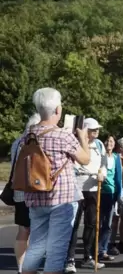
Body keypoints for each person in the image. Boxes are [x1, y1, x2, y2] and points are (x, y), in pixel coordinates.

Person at [22, 87, 91, 274]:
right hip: (61, 199)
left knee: (35, 246)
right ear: (58, 110)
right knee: (56, 251)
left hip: (35, 197)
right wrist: (83, 138)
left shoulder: (27, 136)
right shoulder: (63, 135)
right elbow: (85, 159)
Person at [65, 118, 107, 272]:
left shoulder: (99, 144)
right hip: (76, 188)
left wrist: (102, 172)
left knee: (92, 223)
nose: (96, 132)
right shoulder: (75, 143)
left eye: (97, 129)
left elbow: (103, 163)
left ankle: (88, 256)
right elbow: (70, 164)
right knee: (73, 224)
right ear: (86, 131)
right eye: (93, 130)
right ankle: (69, 259)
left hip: (94, 187)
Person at [10, 113, 41, 274]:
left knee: (23, 230)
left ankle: (21, 267)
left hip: (19, 191)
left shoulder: (17, 142)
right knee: (36, 231)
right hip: (36, 192)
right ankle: (29, 267)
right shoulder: (36, 143)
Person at [97, 135, 123, 261]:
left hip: (111, 193)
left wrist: (120, 194)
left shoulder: (117, 157)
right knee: (97, 222)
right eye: (107, 140)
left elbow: (119, 177)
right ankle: (94, 250)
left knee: (107, 223)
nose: (109, 143)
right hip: (99, 192)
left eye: (112, 141)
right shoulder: (99, 156)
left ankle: (103, 250)